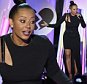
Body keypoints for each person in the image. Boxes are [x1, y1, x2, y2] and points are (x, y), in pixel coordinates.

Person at [0, 0, 73, 84]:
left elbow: (55, 72)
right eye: (23, 21)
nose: (28, 26)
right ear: (11, 22)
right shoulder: (1, 44)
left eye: (32, 22)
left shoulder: (43, 43)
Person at [41, 1, 86, 80]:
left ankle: (76, 74)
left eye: (76, 9)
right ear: (70, 9)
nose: (76, 11)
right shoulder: (66, 16)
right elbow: (57, 25)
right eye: (74, 9)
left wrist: (81, 18)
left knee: (75, 56)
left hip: (76, 37)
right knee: (68, 55)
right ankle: (70, 74)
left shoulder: (79, 16)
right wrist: (48, 25)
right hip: (67, 37)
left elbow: (84, 26)